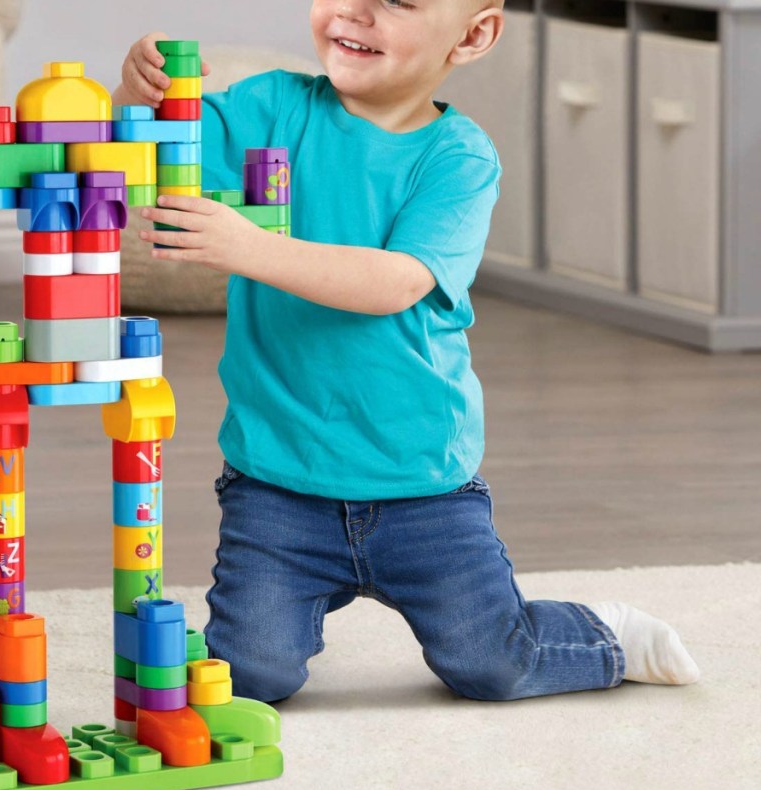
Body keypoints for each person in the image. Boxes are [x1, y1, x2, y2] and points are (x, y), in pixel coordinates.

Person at [113, 0, 700, 702]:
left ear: (474, 33)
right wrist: (136, 92)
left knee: (492, 662)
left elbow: (394, 282)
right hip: (278, 484)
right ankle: (267, 624)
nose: (353, 12)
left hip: (423, 486)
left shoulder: (459, 158)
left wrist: (250, 247)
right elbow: (143, 152)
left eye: (396, 0)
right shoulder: (270, 107)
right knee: (248, 675)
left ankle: (603, 634)